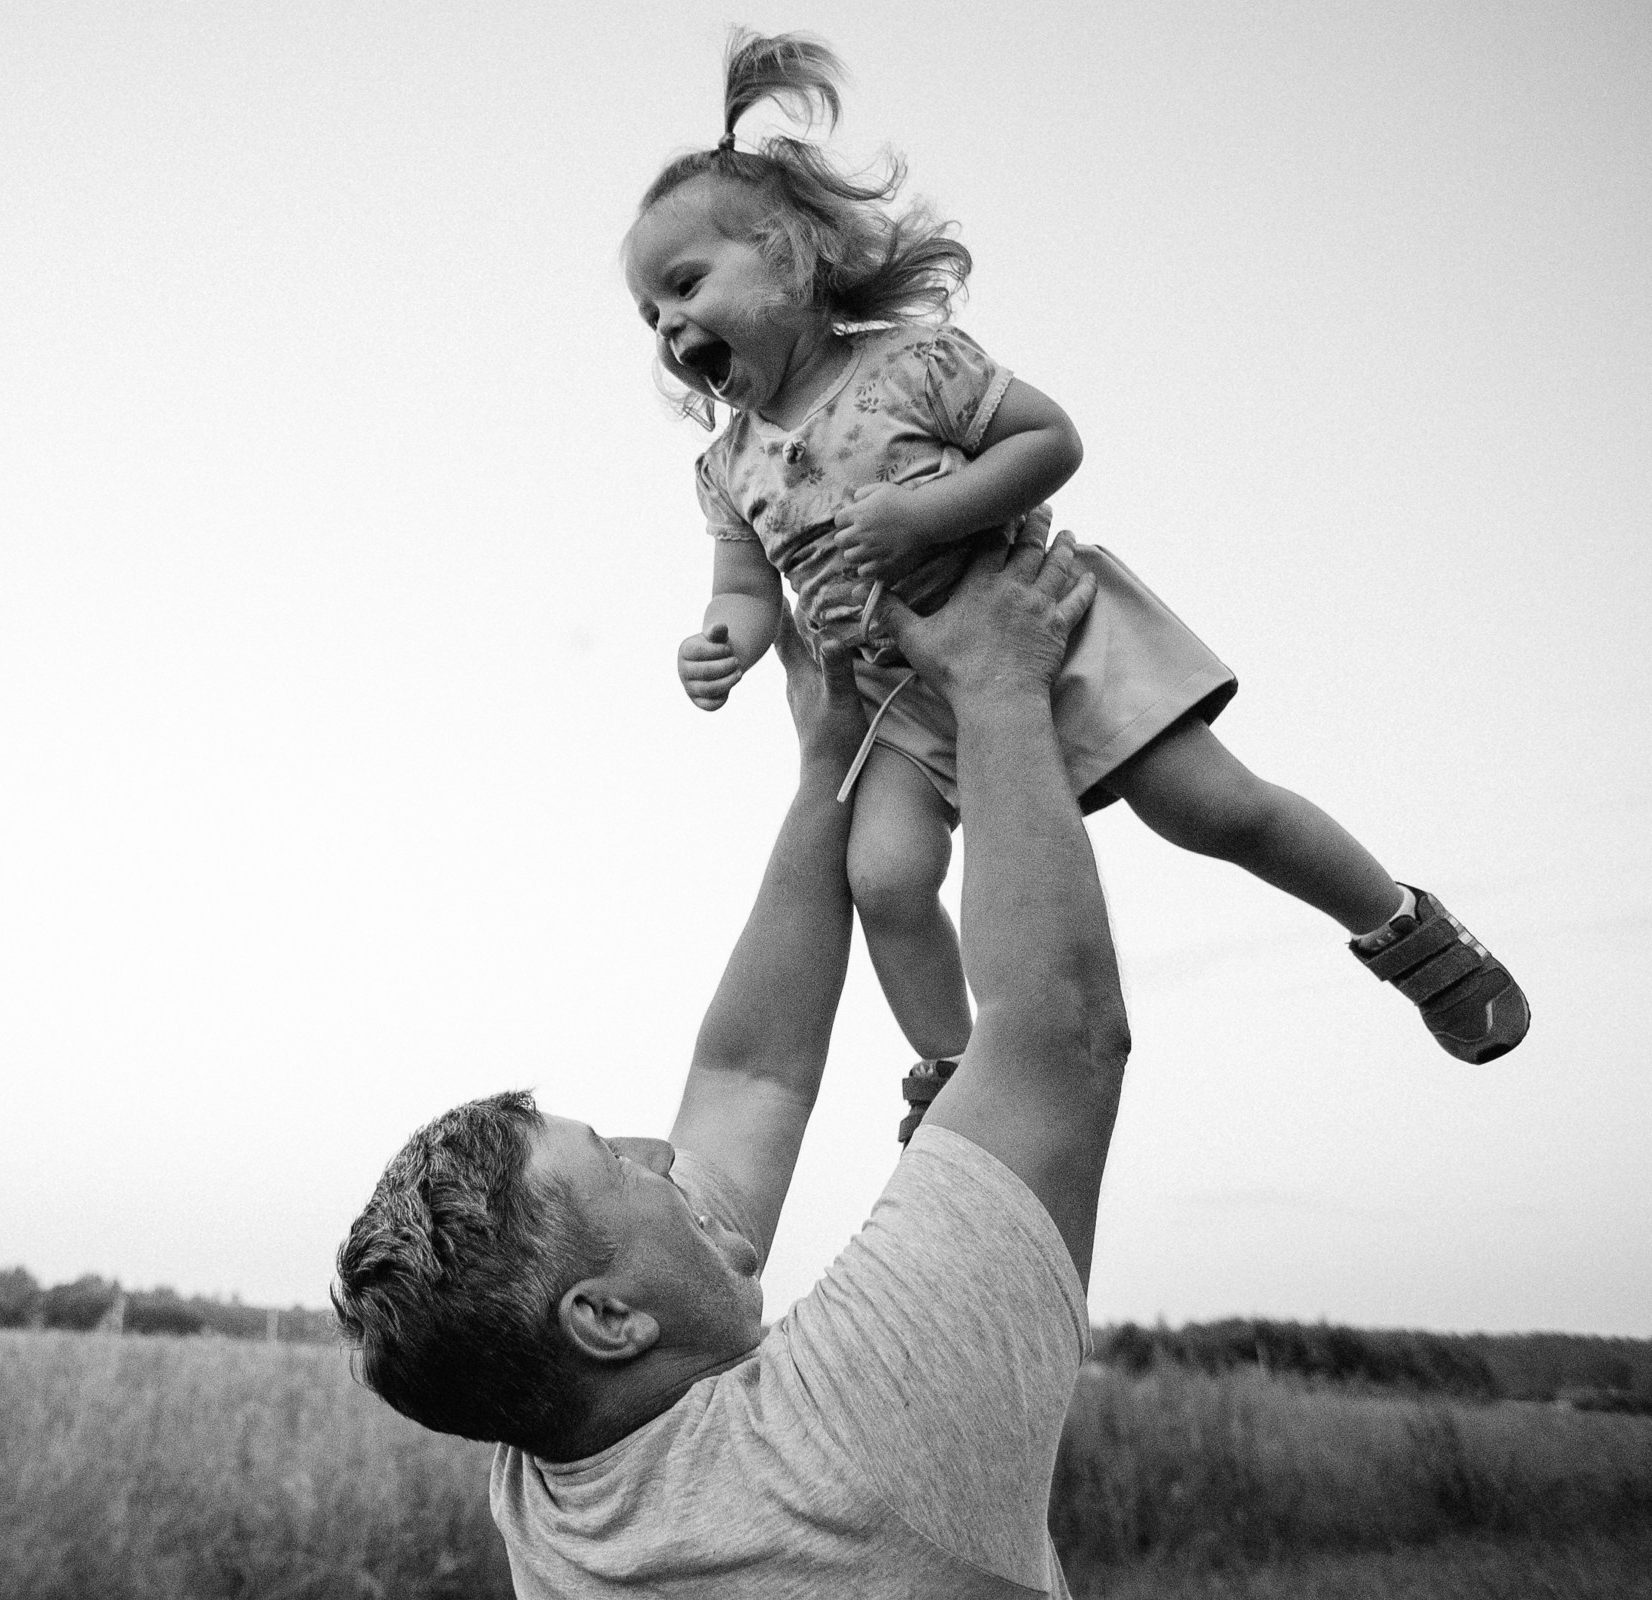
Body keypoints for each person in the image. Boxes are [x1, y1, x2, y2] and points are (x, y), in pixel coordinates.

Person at [636, 31, 1525, 1137]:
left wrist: (925, 511)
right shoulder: (727, 465)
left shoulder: (914, 363)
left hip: (1038, 618)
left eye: (684, 285)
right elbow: (745, 587)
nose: (670, 327)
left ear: (790, 256)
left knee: (1212, 806)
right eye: (651, 317)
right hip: (903, 696)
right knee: (886, 874)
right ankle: (959, 1073)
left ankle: (1401, 925)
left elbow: (1049, 442)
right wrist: (718, 641)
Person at [335, 536, 1120, 1596]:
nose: (662, 1150)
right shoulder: (852, 1437)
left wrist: (824, 769)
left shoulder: (552, 1471)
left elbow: (751, 1074)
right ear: (607, 1320)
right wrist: (997, 682)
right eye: (617, 1166)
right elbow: (1056, 1033)